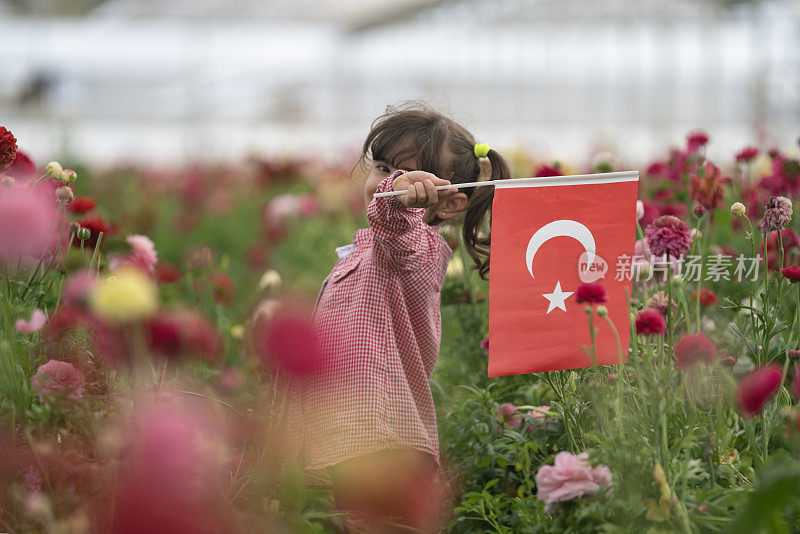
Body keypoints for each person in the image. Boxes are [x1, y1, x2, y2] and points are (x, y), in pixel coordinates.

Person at [287, 102, 511, 533]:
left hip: (386, 439)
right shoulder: (365, 252)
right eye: (383, 167)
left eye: (405, 175)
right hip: (352, 434)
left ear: (449, 205)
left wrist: (402, 203)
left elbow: (396, 228)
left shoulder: (415, 251)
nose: (386, 183)